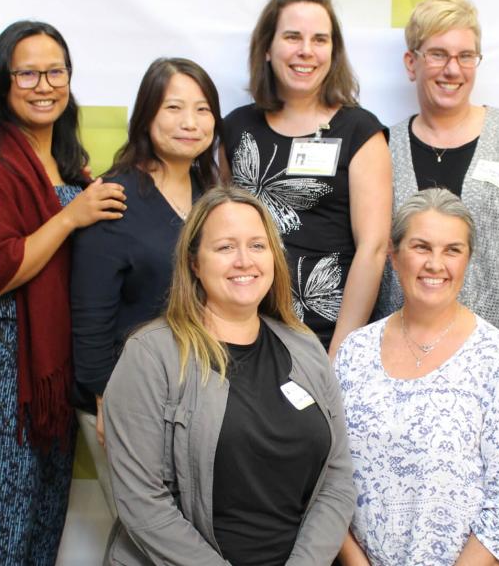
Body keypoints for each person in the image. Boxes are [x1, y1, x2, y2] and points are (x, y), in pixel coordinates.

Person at [0, 20, 126, 565]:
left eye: (55, 71)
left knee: (41, 538)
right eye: (28, 73)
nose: (44, 84)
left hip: (48, 378)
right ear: (3, 82)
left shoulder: (68, 160)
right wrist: (71, 216)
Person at [103, 186, 355, 566]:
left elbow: (336, 480)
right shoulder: (151, 356)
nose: (244, 261)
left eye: (257, 245)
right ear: (194, 263)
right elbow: (141, 502)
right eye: (224, 248)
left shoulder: (305, 349)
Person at [335, 188, 499, 566]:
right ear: (393, 255)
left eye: (452, 250)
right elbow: (327, 476)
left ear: (468, 260)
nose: (436, 264)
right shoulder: (354, 353)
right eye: (421, 247)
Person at [379, 0, 499, 382]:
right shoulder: (382, 148)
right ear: (411, 63)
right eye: (438, 54)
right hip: (405, 356)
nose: (453, 69)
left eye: (466, 56)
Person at [71, 57, 222, 516]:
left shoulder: (211, 194)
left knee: (192, 534)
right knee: (143, 538)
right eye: (173, 108)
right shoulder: (115, 196)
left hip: (197, 395)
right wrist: (105, 399)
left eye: (202, 109)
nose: (189, 123)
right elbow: (90, 313)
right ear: (146, 116)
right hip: (129, 398)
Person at [223, 0, 392, 357]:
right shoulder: (235, 129)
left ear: (334, 51)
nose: (306, 51)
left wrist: (340, 350)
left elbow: (374, 248)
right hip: (242, 334)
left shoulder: (359, 132)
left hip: (325, 336)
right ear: (267, 47)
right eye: (292, 37)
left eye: (320, 39)